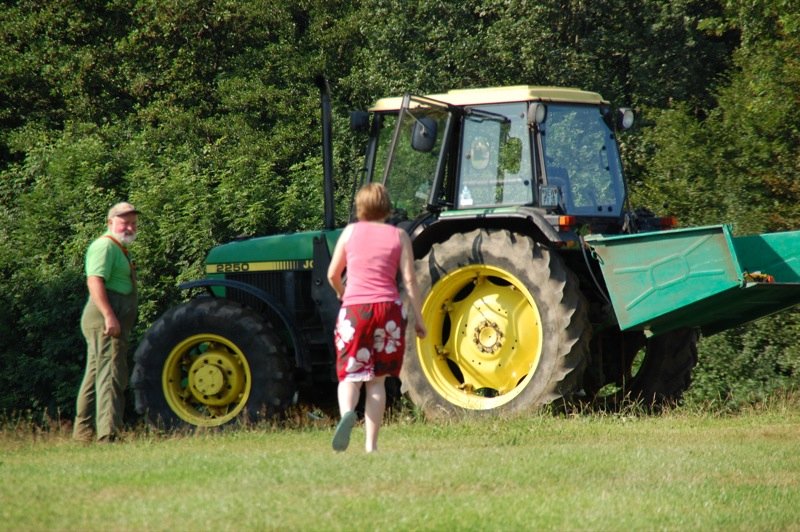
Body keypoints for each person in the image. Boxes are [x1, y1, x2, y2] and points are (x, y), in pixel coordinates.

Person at [327, 183, 427, 453]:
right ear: (386, 207)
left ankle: (348, 413)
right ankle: (371, 446)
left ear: (360, 206)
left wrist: (343, 294)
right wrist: (419, 319)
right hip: (388, 311)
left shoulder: (349, 233)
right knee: (377, 380)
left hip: (355, 311)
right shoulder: (399, 236)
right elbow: (409, 280)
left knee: (350, 376)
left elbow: (332, 274)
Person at [73, 202, 140, 443]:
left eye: (133, 223)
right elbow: (94, 281)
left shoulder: (119, 248)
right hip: (105, 316)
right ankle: (109, 434)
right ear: (110, 222)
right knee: (111, 373)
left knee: (94, 375)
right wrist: (109, 316)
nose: (129, 227)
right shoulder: (105, 246)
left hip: (108, 315)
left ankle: (83, 434)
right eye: (124, 223)